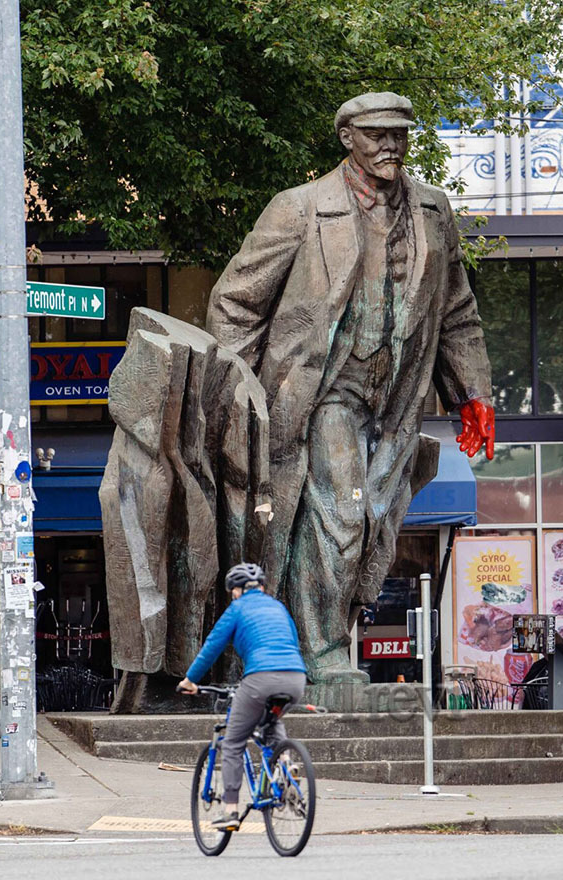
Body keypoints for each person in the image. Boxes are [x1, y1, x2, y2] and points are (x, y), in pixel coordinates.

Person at [206, 91, 494, 683]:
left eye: (399, 134)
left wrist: (473, 392)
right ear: (348, 138)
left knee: (376, 525)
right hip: (323, 392)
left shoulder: (434, 212)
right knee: (344, 512)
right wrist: (239, 393)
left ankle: (315, 640)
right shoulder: (301, 209)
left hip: (399, 396)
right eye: (376, 134)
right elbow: (235, 304)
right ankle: (324, 650)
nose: (390, 145)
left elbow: (457, 310)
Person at [177, 562, 306, 831]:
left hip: (260, 678)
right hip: (295, 678)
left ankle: (231, 810)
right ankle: (286, 766)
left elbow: (212, 645)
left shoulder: (236, 609)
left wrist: (190, 680)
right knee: (271, 721)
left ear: (236, 591)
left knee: (234, 742)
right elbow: (293, 642)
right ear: (261, 587)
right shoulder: (278, 607)